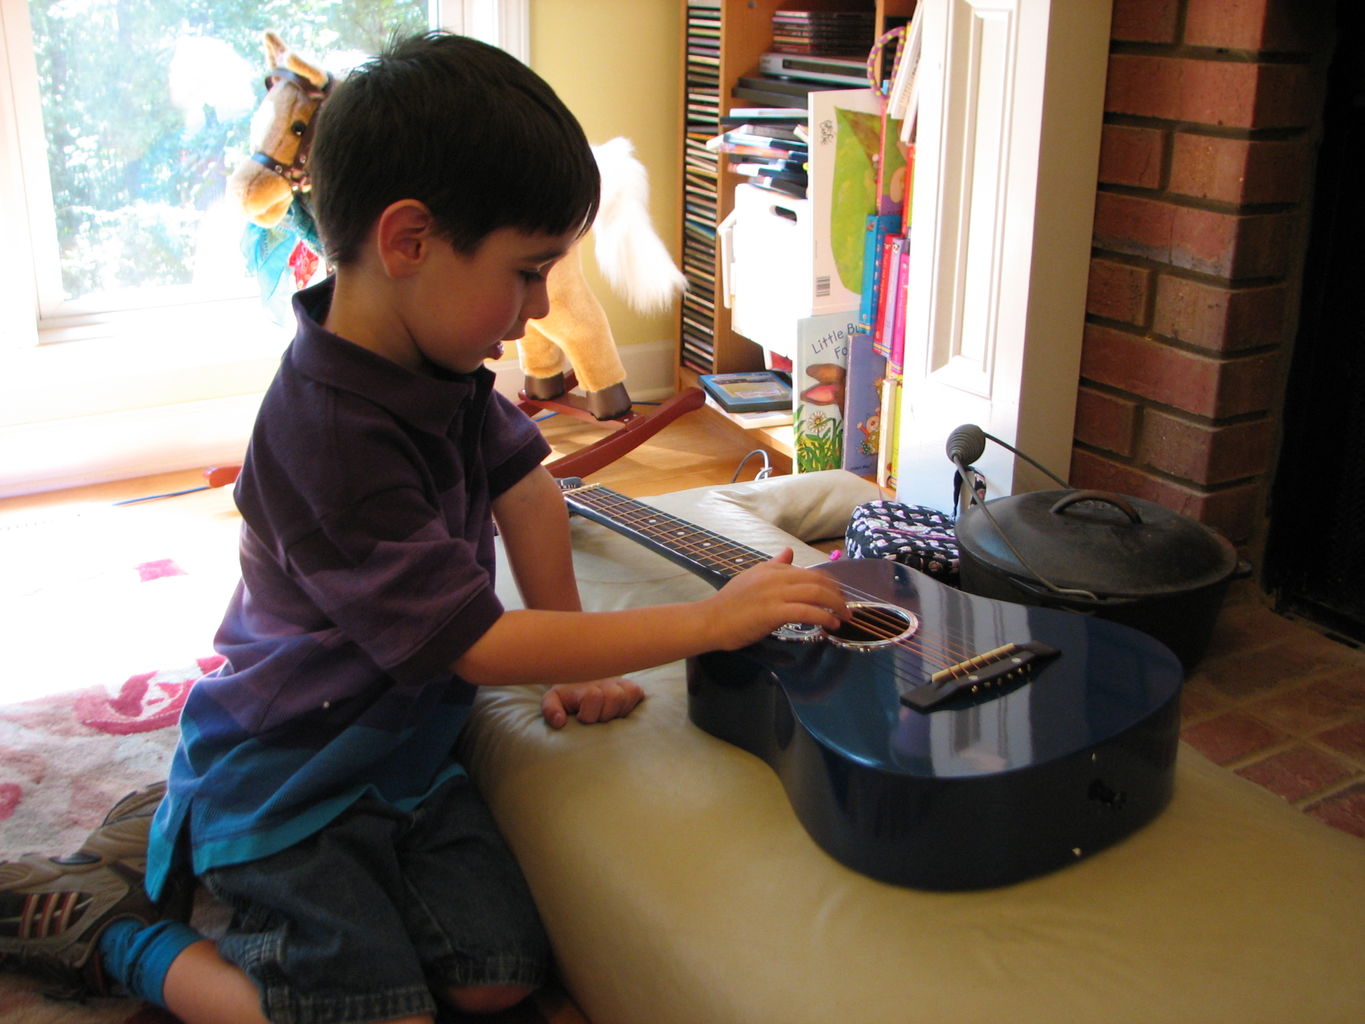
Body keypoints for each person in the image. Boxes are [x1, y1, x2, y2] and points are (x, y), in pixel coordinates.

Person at [0, 30, 849, 1024]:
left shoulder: (434, 364)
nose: (537, 309)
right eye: (527, 272)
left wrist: (573, 660)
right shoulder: (328, 433)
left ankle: (182, 837)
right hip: (288, 775)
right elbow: (482, 646)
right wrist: (708, 622)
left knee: (496, 976)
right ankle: (121, 932)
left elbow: (526, 487)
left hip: (402, 752)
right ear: (408, 241)